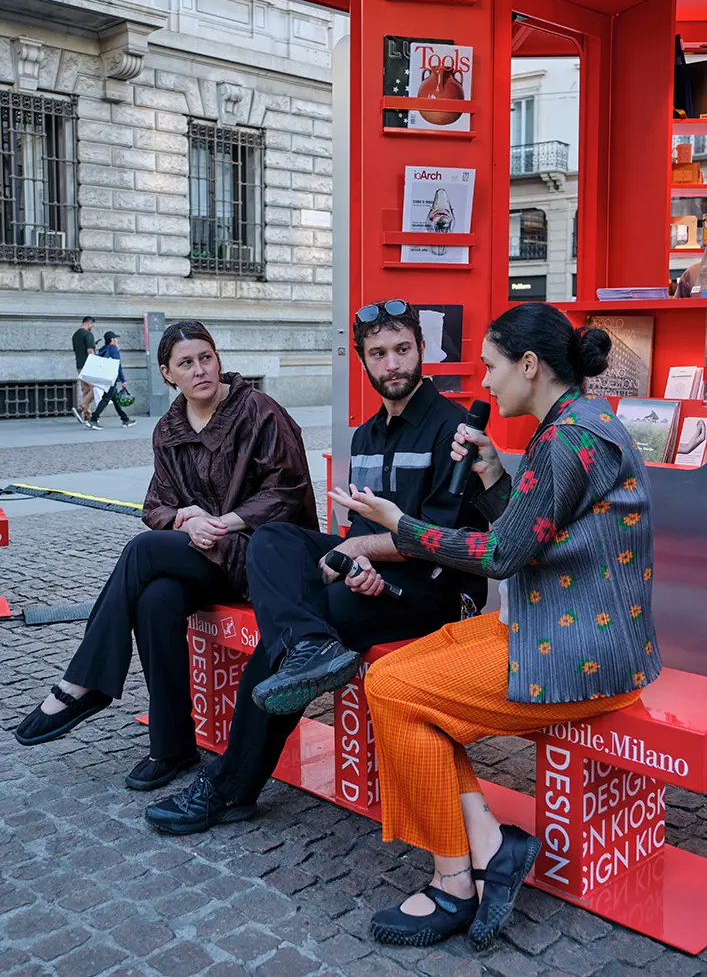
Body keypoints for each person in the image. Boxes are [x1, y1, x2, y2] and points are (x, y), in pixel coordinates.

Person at [329, 302, 662, 951]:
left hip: (579, 653)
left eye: (490, 366)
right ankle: (487, 843)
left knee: (395, 692)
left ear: (529, 366)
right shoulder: (574, 425)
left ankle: (455, 877)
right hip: (560, 630)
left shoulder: (570, 437)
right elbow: (527, 532)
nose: (483, 382)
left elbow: (503, 554)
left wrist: (399, 526)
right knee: (390, 674)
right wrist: (488, 473)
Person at [145, 299, 490, 834]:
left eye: (402, 349)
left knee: (288, 635)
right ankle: (310, 646)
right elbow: (360, 531)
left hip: (436, 591)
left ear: (423, 350)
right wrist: (346, 560)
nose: (392, 364)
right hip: (377, 576)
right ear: (363, 360)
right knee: (273, 540)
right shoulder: (367, 435)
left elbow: (438, 541)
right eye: (379, 354)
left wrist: (354, 554)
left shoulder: (454, 429)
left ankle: (230, 786)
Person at [15, 320, 319, 792]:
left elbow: (289, 486)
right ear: (166, 373)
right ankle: (172, 746)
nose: (200, 370)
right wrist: (186, 520)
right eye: (186, 363)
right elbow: (154, 505)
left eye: (206, 357)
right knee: (157, 598)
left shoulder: (258, 412)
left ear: (218, 359)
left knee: (143, 552)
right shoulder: (169, 429)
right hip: (206, 555)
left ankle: (84, 682)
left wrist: (223, 522)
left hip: (263, 558)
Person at [84, 331, 136, 430]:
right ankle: (94, 419)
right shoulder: (113, 349)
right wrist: (123, 381)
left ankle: (125, 419)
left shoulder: (104, 349)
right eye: (115, 339)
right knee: (106, 398)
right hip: (112, 378)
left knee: (114, 398)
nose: (116, 340)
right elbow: (118, 366)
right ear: (112, 340)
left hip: (106, 377)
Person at [71, 315, 96, 424]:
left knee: (86, 389)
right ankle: (81, 408)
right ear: (89, 323)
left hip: (79, 365)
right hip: (88, 365)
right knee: (95, 389)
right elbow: (90, 351)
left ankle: (87, 415)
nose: (92, 327)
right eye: (92, 325)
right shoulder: (88, 334)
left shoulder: (75, 335)